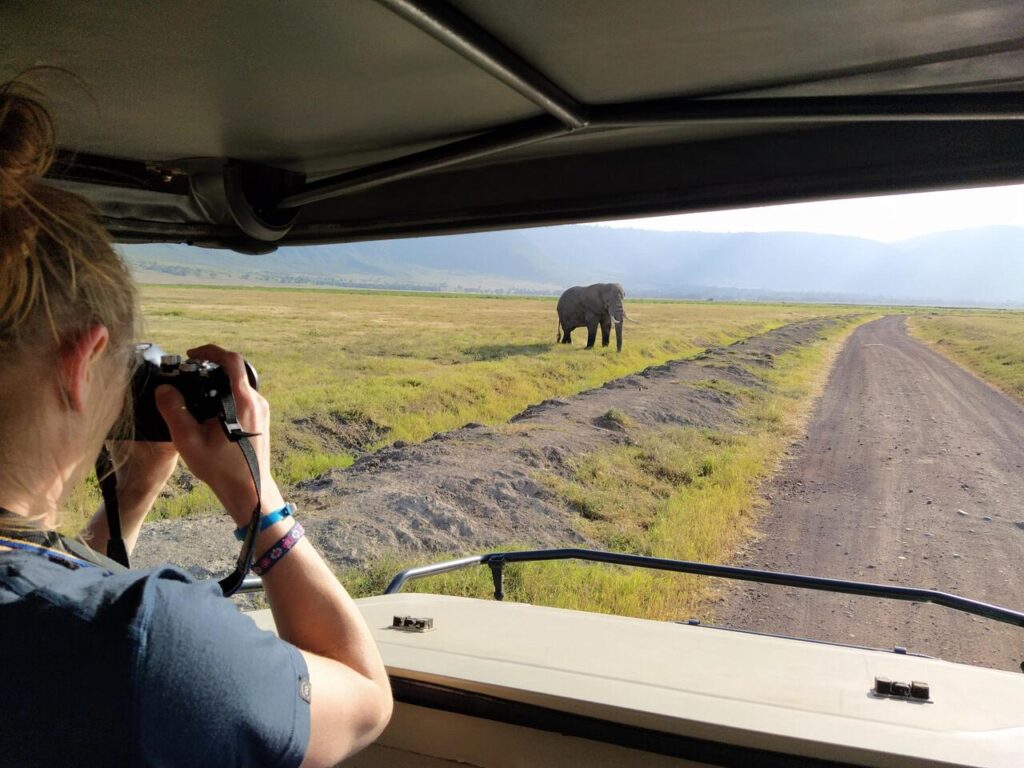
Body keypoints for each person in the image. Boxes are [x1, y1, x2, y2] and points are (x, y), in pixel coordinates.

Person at [0, 83, 392, 766]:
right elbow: (362, 702)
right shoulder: (146, 643)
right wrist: (259, 501)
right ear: (82, 361)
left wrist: (135, 492)